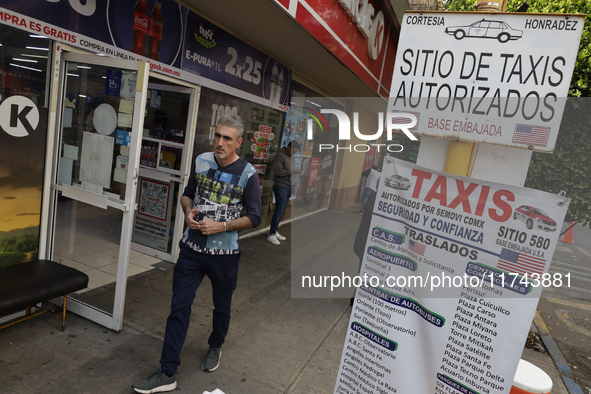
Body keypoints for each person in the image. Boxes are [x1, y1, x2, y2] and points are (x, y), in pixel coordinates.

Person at [132, 114, 261, 394]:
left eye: (227, 138)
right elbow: (187, 193)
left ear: (238, 142)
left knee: (221, 306)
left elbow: (255, 217)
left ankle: (215, 345)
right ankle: (167, 372)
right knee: (179, 306)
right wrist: (188, 210)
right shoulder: (201, 161)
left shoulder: (248, 173)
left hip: (225, 255)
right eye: (217, 136)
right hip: (191, 250)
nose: (219, 142)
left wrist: (222, 226)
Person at [267, 140, 300, 245]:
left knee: (281, 210)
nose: (294, 154)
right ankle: (271, 234)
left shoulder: (292, 158)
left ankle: (275, 231)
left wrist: (294, 171)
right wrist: (291, 171)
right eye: (293, 151)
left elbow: (289, 170)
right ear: (288, 147)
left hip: (289, 186)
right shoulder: (280, 156)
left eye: (295, 152)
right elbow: (278, 171)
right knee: (279, 210)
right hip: (281, 186)